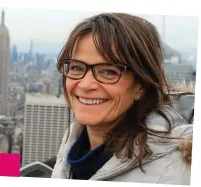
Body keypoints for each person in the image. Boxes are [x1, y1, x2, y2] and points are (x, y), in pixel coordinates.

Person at [51, 12, 193, 185]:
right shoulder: (73, 143)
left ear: (141, 84)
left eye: (108, 71)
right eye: (76, 68)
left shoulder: (180, 170)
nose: (86, 84)